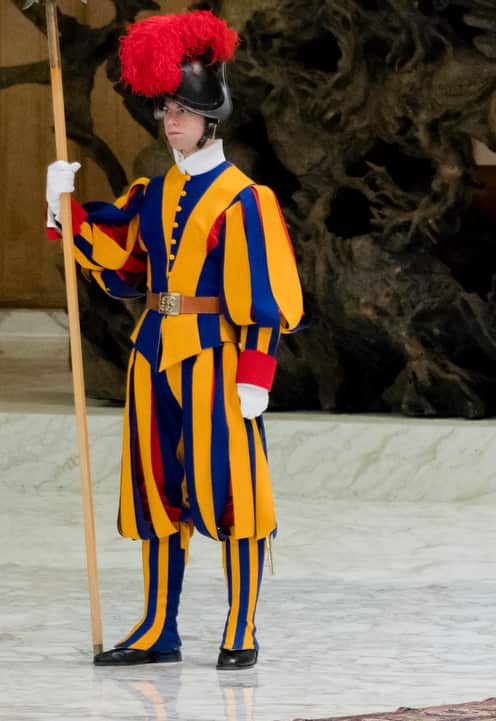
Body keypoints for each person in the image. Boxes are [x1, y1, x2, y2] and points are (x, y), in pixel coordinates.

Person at [43, 10, 303, 670]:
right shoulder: (154, 193)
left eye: (183, 109)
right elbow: (122, 258)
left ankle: (240, 625)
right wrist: (65, 207)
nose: (170, 120)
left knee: (233, 490)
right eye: (166, 108)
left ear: (210, 117)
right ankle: (159, 624)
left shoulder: (246, 200)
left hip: (216, 358)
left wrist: (256, 373)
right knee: (157, 491)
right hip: (154, 350)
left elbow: (267, 296)